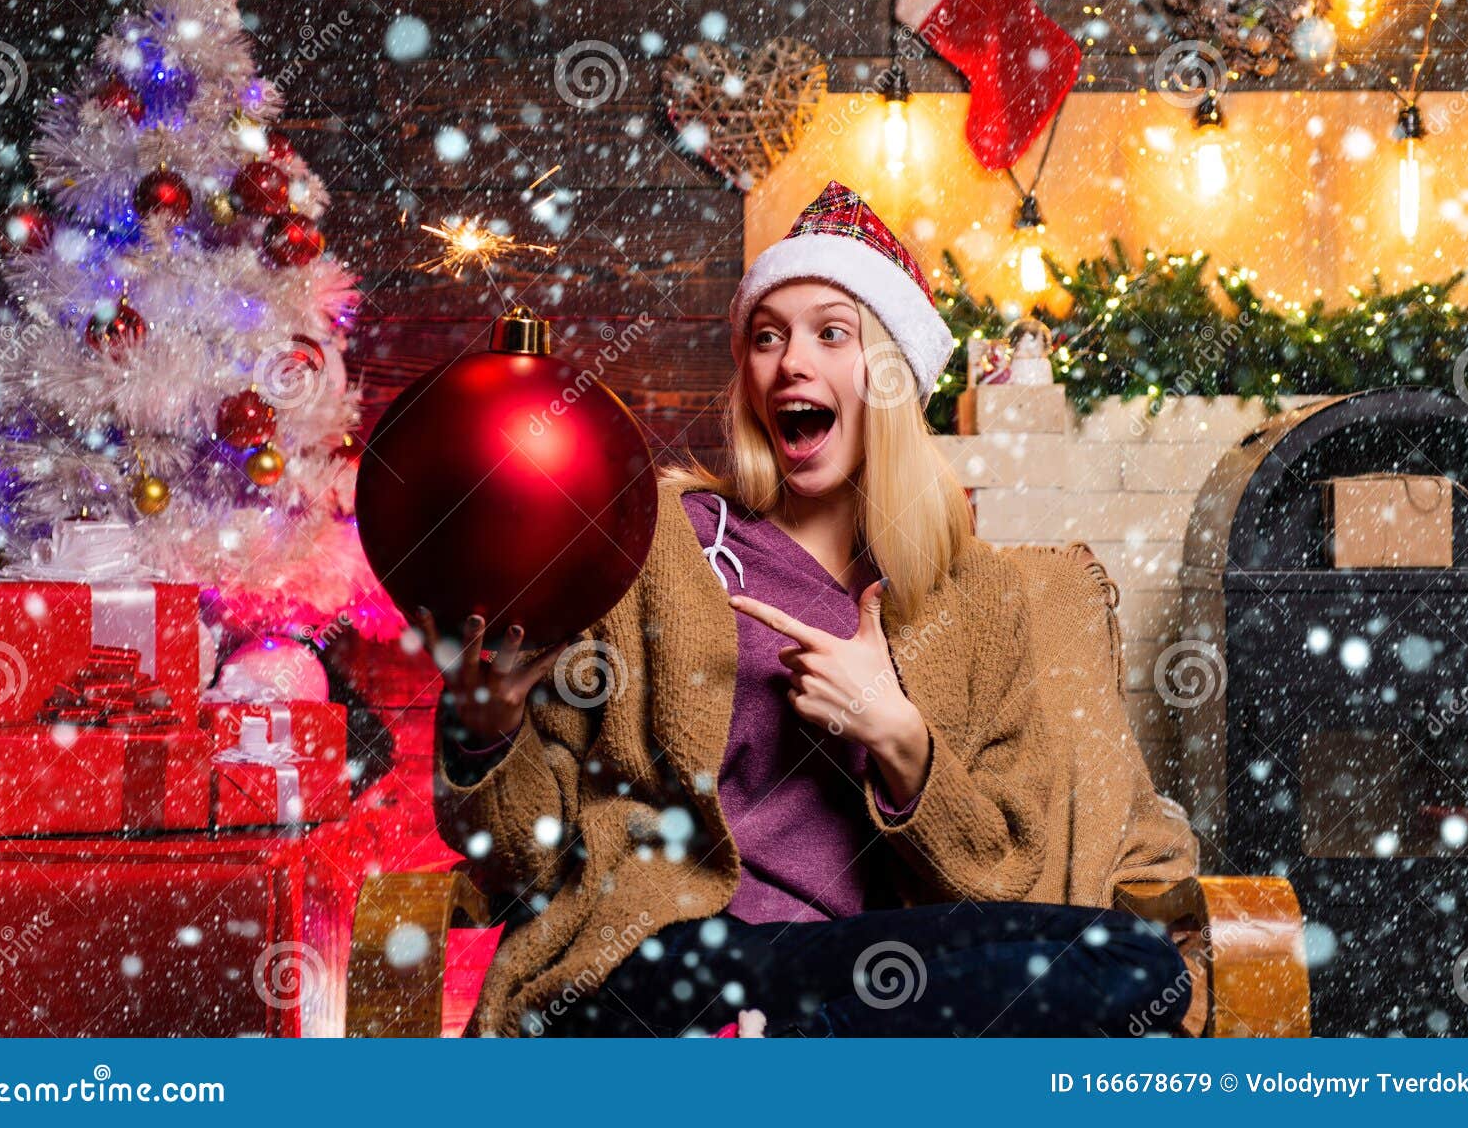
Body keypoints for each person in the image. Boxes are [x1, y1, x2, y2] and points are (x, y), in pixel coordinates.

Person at [422, 181, 1200, 1038]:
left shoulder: (975, 601)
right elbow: (522, 859)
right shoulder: (655, 545)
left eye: (832, 332)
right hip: (660, 961)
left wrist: (900, 739)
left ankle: (794, 1062)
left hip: (850, 969)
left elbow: (1000, 873)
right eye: (767, 337)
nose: (791, 361)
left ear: (894, 378)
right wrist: (483, 734)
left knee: (1137, 965)